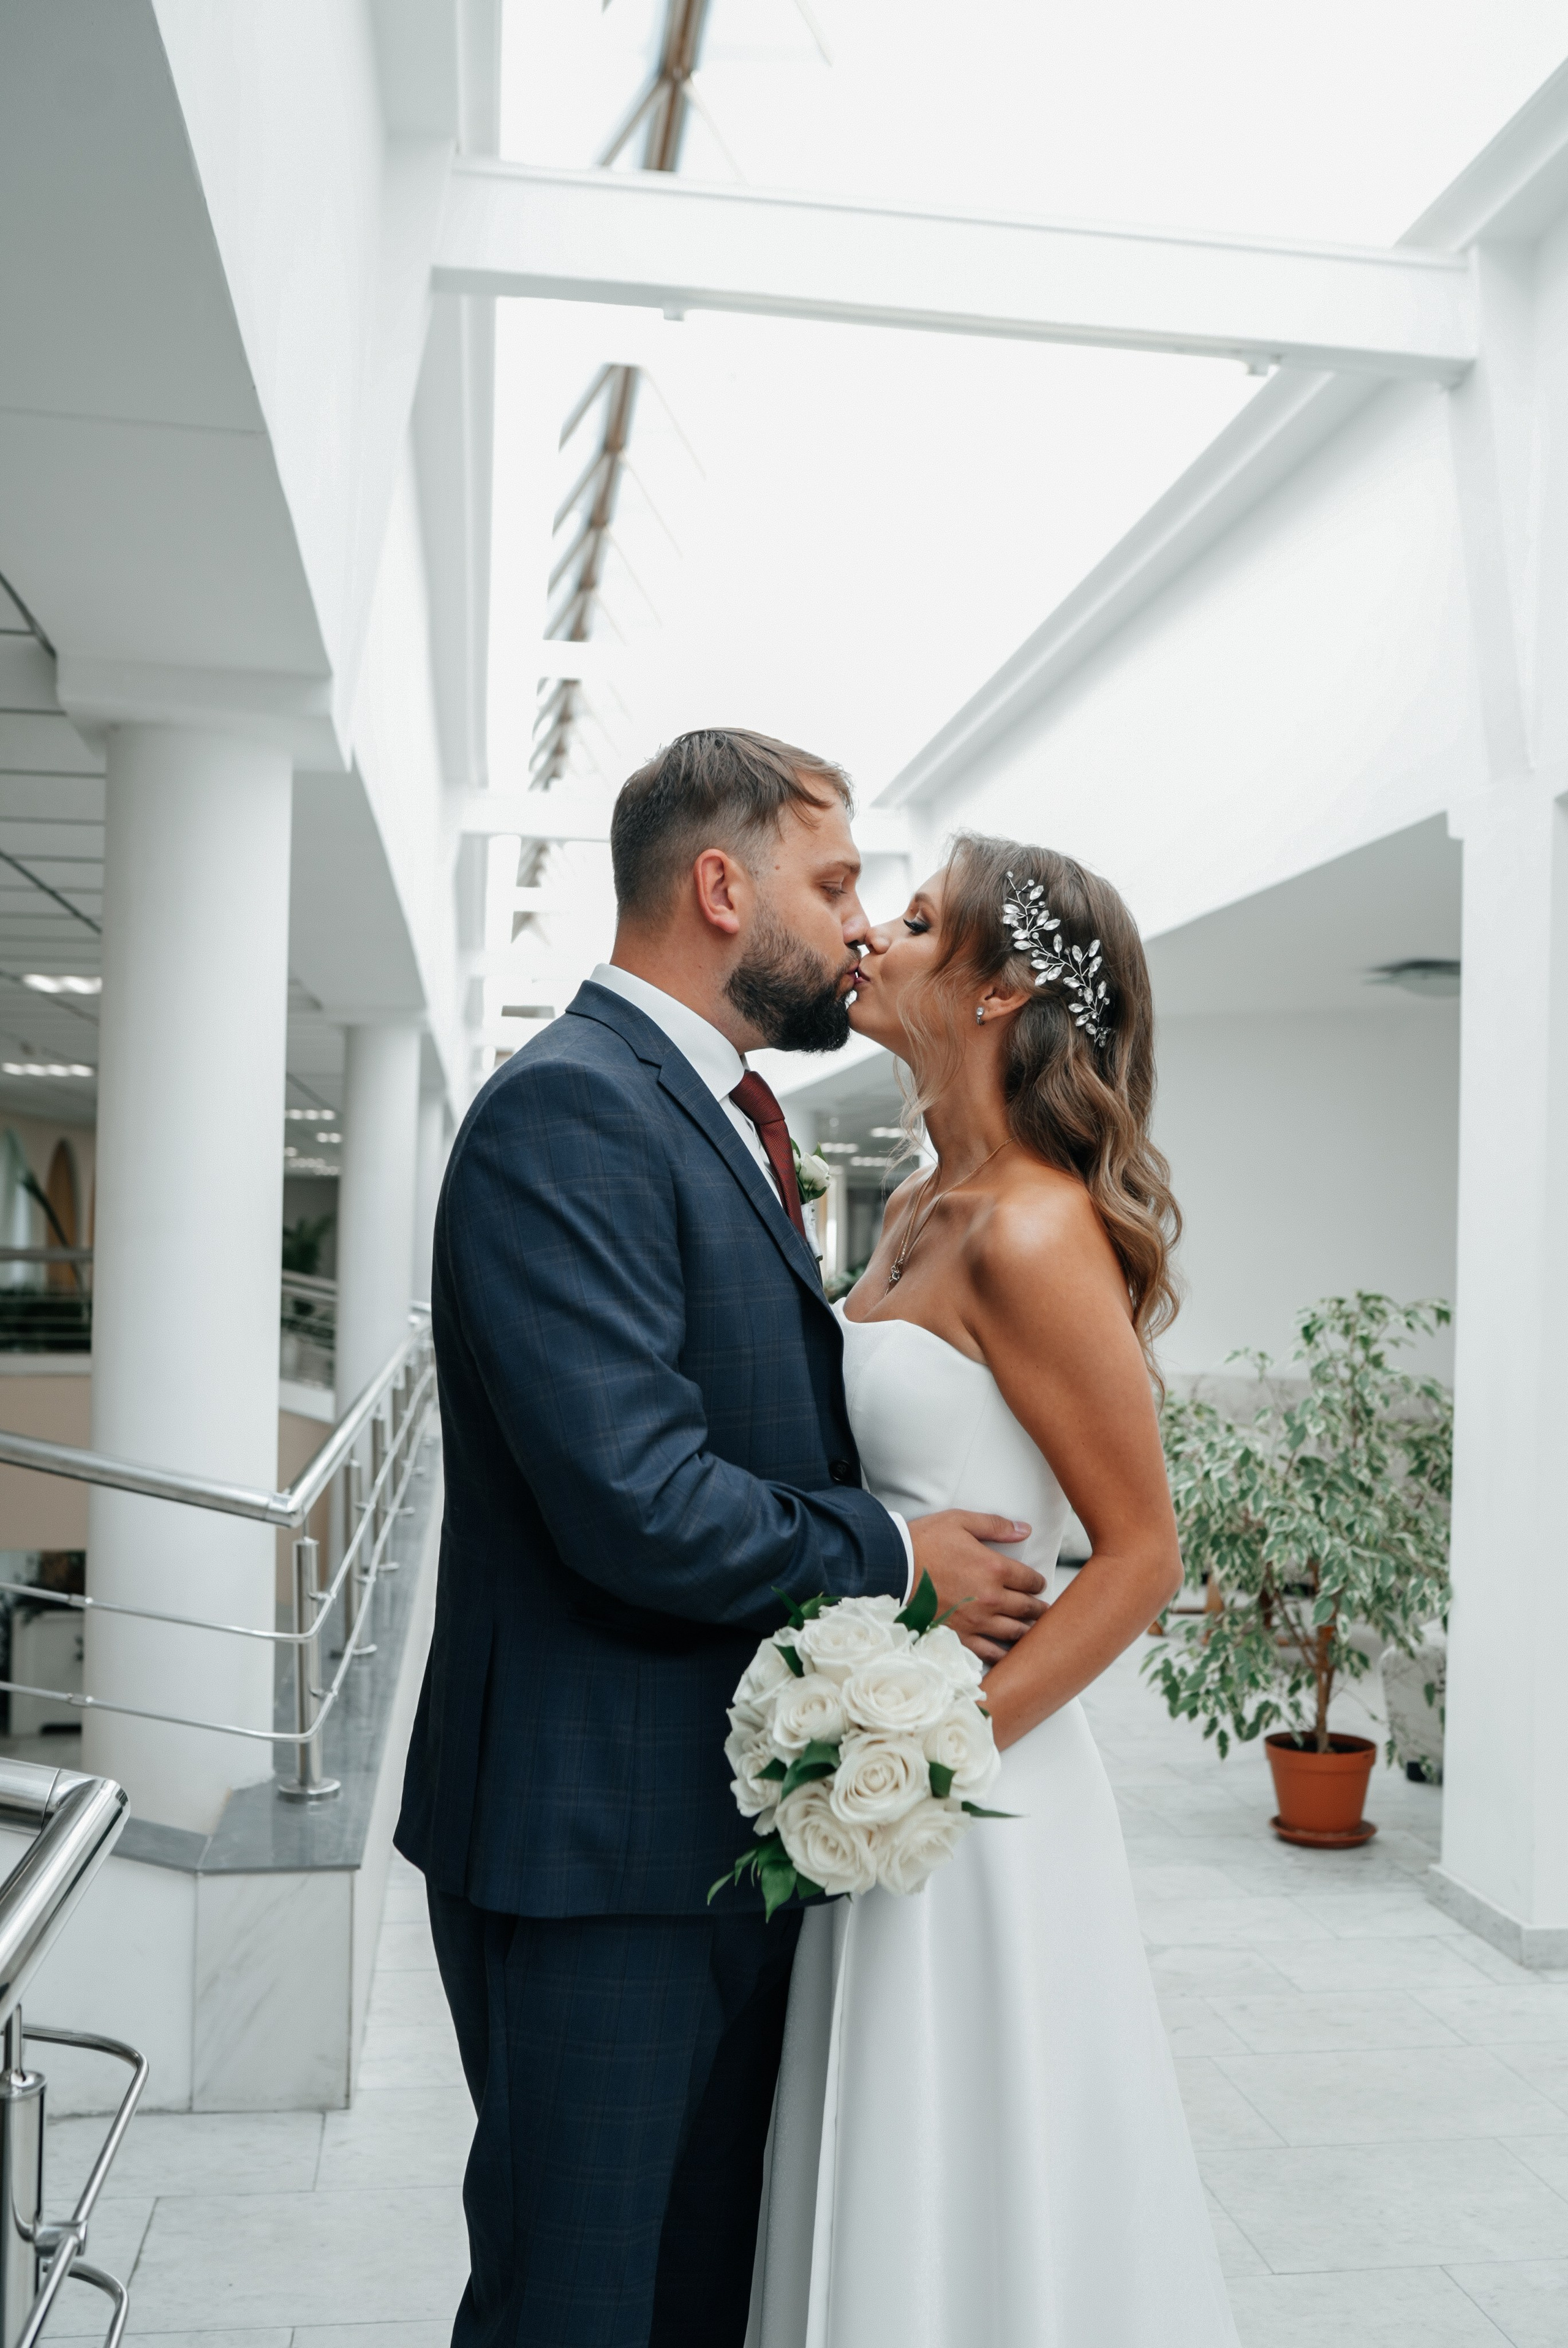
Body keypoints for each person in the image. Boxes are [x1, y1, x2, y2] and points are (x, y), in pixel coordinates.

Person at [394, 734, 1047, 2348]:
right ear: (718, 887)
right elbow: (635, 1495)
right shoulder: (573, 1112)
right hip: (594, 1853)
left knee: (689, 2295)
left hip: (702, 1831)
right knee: (576, 2305)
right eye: (832, 885)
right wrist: (894, 1556)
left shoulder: (707, 1108)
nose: (859, 925)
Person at [748, 832, 1242, 2348]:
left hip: (973, 1783)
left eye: (912, 921)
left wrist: (925, 1763)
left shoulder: (1031, 1226)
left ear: (999, 988)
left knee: (970, 2162)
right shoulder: (914, 1207)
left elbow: (1140, 1556)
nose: (871, 938)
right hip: (874, 1742)